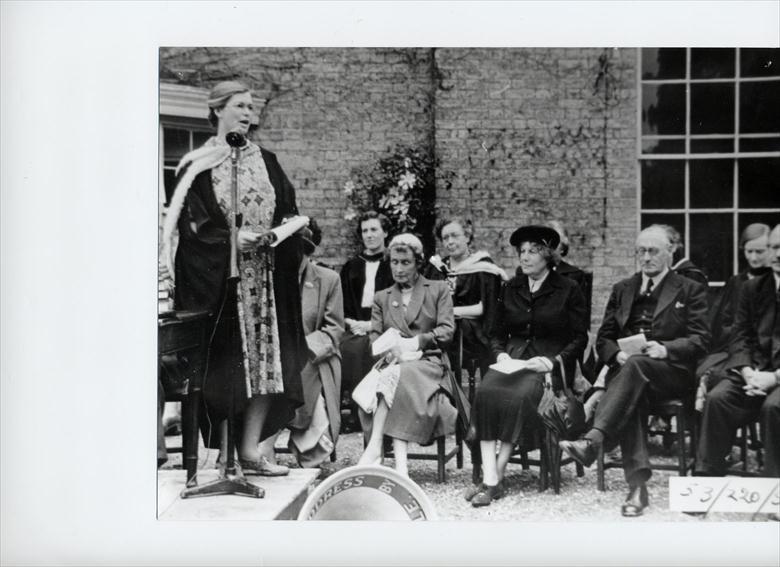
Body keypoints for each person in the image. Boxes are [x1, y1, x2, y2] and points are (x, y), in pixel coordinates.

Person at [162, 80, 306, 476]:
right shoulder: (196, 166)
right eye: (239, 106)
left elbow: (288, 209)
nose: (248, 113)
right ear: (217, 110)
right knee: (227, 366)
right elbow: (193, 228)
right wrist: (230, 240)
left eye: (251, 107)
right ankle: (226, 458)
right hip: (221, 285)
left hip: (266, 283)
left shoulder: (268, 161)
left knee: (267, 365)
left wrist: (289, 230)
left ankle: (250, 450)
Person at [560, 225, 710, 517]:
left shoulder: (689, 288)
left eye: (653, 251)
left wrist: (666, 349)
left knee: (635, 368)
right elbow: (604, 337)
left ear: (671, 251)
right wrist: (616, 354)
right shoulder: (623, 288)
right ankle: (637, 488)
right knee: (633, 387)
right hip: (630, 373)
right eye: (640, 251)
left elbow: (701, 339)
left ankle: (593, 439)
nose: (646, 257)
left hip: (671, 372)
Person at [465, 225, 587, 507]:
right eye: (522, 252)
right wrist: (500, 356)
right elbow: (495, 333)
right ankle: (491, 475)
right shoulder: (510, 287)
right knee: (485, 391)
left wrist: (552, 362)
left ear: (547, 255)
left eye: (533, 251)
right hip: (512, 362)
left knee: (517, 397)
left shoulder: (568, 289)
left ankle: (493, 478)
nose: (526, 257)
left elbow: (580, 338)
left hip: (545, 368)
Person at [356, 234, 458, 478]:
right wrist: (391, 350)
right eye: (394, 262)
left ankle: (375, 448)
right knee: (394, 375)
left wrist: (416, 341)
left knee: (395, 377)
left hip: (429, 364)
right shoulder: (382, 297)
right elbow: (375, 339)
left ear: (418, 263)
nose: (398, 268)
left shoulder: (438, 289)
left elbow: (447, 331)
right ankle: (399, 467)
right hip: (394, 364)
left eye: (405, 262)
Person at [696, 224, 780, 482]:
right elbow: (740, 336)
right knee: (718, 398)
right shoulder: (752, 288)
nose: (777, 255)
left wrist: (775, 378)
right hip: (753, 373)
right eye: (775, 247)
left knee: (774, 407)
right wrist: (746, 371)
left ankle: (775, 489)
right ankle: (705, 485)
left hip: (777, 378)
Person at [695, 223, 772, 406]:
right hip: (737, 351)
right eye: (749, 251)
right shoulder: (736, 283)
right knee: (705, 374)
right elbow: (721, 323)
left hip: (769, 357)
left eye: (759, 252)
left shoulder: (775, 283)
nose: (753, 258)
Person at [424, 217, 507, 381]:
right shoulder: (438, 268)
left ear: (467, 237)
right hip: (442, 331)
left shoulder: (483, 267)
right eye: (445, 238)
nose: (450, 242)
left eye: (455, 236)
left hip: (473, 335)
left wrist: (448, 311)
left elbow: (484, 308)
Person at [339, 212, 394, 431]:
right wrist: (351, 322)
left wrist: (371, 326)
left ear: (385, 232)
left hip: (382, 327)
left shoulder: (393, 265)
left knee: (372, 348)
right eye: (365, 231)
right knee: (350, 348)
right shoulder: (351, 266)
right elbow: (339, 302)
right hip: (353, 326)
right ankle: (354, 410)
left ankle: (376, 416)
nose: (369, 235)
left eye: (374, 230)